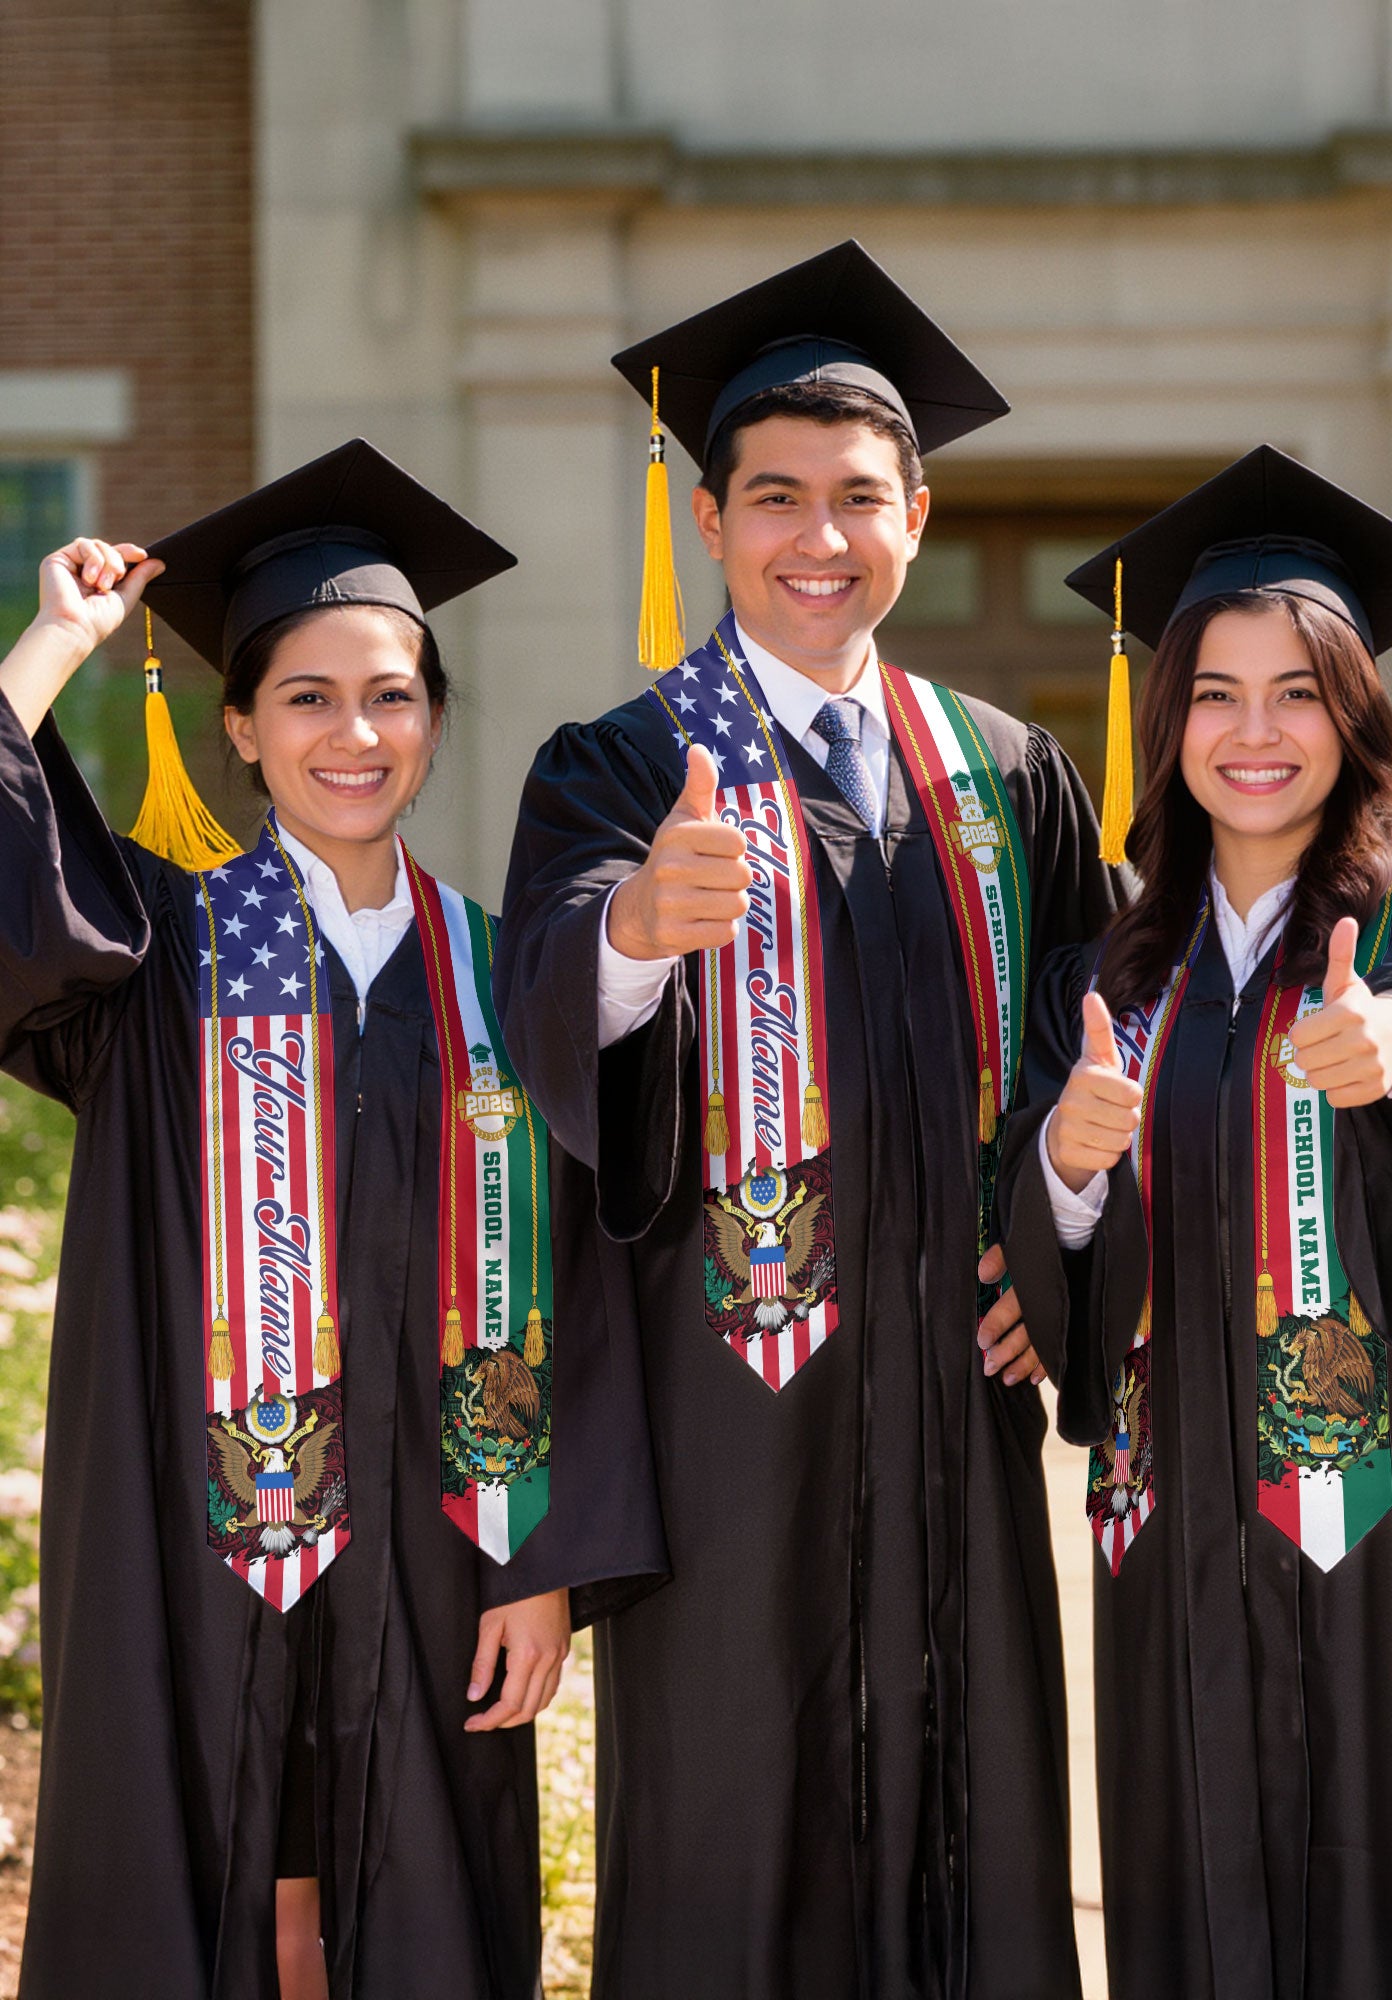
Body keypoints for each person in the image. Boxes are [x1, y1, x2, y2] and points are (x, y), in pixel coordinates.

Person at [496, 241, 1121, 1999]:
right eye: (776, 498)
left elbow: (1111, 1042)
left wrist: (1062, 1256)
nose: (819, 538)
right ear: (710, 522)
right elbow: (549, 1008)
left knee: (977, 1820)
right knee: (734, 1836)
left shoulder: (1010, 772)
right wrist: (631, 932)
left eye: (860, 498)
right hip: (730, 1420)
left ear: (917, 514)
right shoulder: (618, 766)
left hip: (957, 1405)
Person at [0, 440, 660, 2000]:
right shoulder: (153, 953)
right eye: (305, 696)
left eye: (390, 695)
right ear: (238, 725)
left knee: (423, 1897)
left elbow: (590, 1283)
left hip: (443, 1550)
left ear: (433, 721)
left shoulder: (514, 977)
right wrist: (52, 647)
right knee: (192, 1868)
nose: (352, 733)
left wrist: (546, 1561)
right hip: (187, 1533)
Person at [998, 446, 1392, 1999]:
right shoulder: (1102, 980)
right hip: (1175, 1519)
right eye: (1216, 694)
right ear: (1167, 721)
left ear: (1357, 717)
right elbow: (1042, 1240)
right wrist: (1064, 1154)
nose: (1257, 734)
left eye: (1300, 692)